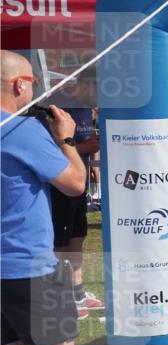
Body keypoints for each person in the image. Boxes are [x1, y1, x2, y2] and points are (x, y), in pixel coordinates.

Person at [1, 50, 115, 345]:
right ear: (19, 86)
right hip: (30, 269)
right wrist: (66, 139)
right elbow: (74, 182)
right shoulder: (22, 130)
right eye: (32, 82)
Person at [50, 104, 103, 320]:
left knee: (77, 236)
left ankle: (77, 292)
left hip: (79, 183)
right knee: (60, 242)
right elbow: (53, 146)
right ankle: (60, 297)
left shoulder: (85, 107)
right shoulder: (56, 109)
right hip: (61, 182)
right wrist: (85, 146)